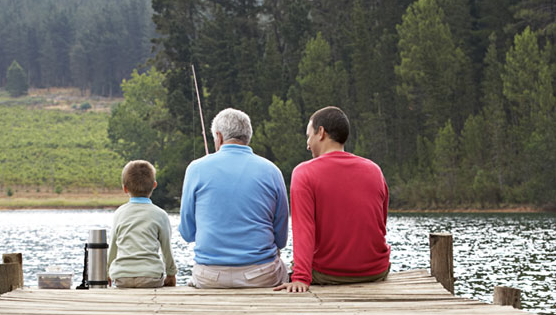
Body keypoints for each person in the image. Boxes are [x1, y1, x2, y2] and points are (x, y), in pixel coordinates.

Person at [274, 106, 390, 293]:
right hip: (375, 271)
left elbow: (304, 230)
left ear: (321, 133)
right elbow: (380, 224)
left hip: (328, 274)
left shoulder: (304, 173)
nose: (307, 144)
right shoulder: (374, 170)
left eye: (308, 136)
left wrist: (301, 277)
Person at [179, 107, 289, 288]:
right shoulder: (272, 170)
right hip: (261, 276)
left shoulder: (195, 168)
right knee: (283, 269)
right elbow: (281, 238)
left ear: (219, 137)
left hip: (210, 277)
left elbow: (187, 233)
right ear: (247, 137)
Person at [107, 160, 177, 288]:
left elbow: (113, 247)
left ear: (125, 188)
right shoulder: (160, 214)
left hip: (122, 277)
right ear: (154, 185)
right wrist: (171, 274)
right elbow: (166, 248)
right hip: (151, 277)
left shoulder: (119, 213)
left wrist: (107, 271)